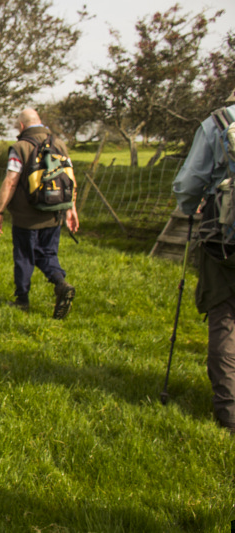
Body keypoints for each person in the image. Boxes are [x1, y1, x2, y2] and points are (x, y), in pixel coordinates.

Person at [172, 87, 235, 433]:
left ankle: (230, 412)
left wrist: (188, 207)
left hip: (223, 238)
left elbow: (189, 183)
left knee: (224, 315)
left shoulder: (218, 124)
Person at [0, 108, 79, 318]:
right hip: (54, 212)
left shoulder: (20, 147)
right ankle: (60, 283)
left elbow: (11, 180)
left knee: (24, 256)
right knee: (48, 253)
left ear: (21, 126)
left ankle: (22, 300)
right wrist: (71, 209)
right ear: (39, 121)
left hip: (26, 216)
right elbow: (69, 178)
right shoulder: (59, 144)